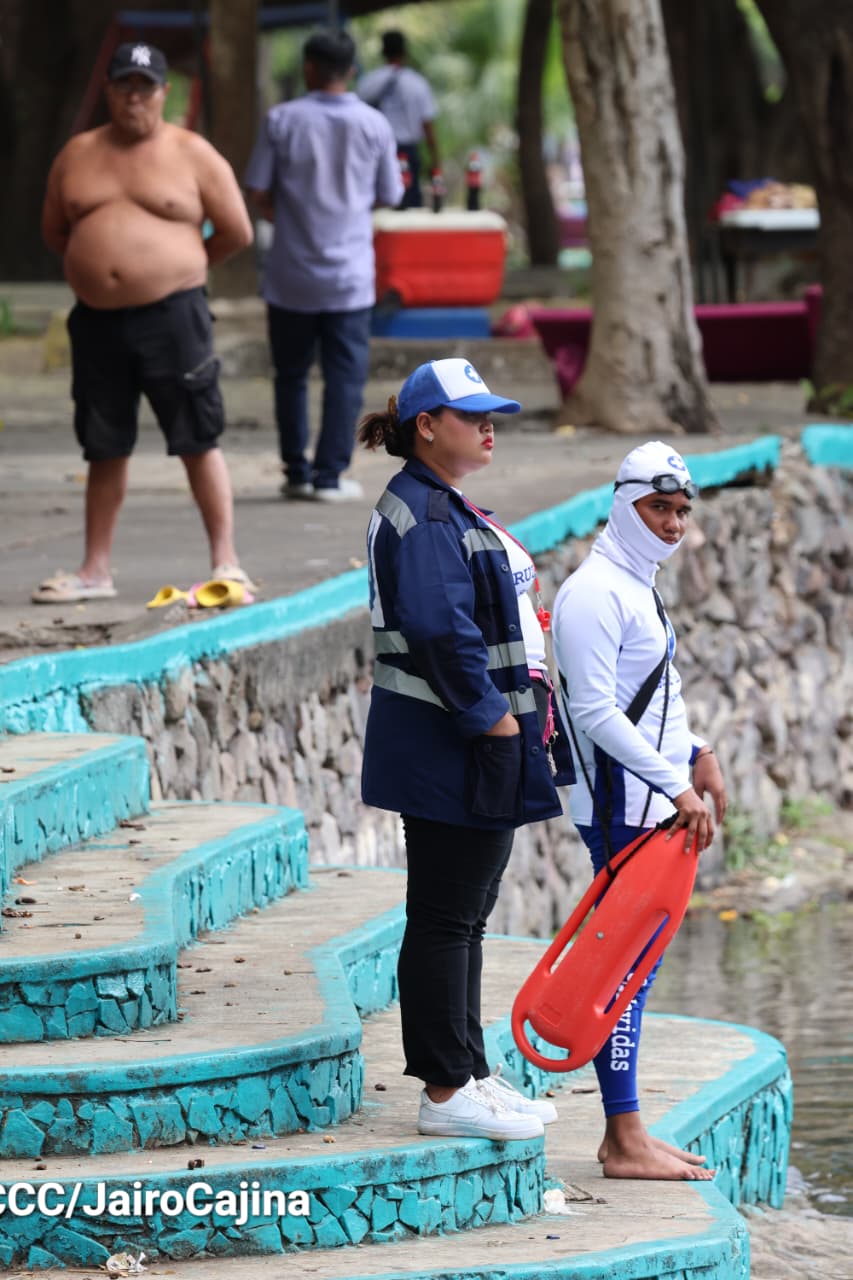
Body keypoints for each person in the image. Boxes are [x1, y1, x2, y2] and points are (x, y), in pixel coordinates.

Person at [358, 357, 573, 1140]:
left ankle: (469, 1071)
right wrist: (493, 720)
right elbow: (438, 628)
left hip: (468, 739)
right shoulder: (421, 513)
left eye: (493, 415)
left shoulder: (439, 503)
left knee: (466, 915)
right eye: (472, 414)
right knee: (448, 915)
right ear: (426, 425)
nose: (489, 427)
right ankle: (445, 1092)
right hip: (452, 741)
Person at [551, 440, 727, 1181]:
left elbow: (654, 695)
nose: (672, 523)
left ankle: (627, 1130)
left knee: (637, 968)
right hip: (622, 808)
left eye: (681, 510)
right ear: (624, 505)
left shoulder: (632, 583)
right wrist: (676, 785)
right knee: (624, 970)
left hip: (653, 799)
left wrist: (697, 753)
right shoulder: (594, 593)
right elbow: (594, 711)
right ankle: (621, 1139)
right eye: (659, 508)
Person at [34, 41, 255, 605]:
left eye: (145, 86)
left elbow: (236, 231)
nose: (134, 96)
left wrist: (172, 266)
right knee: (102, 444)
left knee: (197, 438)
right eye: (124, 84)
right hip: (99, 322)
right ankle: (95, 570)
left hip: (172, 315)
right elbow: (56, 232)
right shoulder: (76, 154)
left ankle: (227, 561)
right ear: (109, 89)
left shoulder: (193, 153)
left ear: (164, 92)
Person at [245, 30, 403, 503]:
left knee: (290, 375)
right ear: (352, 70)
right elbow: (391, 194)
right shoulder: (374, 124)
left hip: (290, 275)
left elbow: (259, 193)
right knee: (345, 379)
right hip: (350, 279)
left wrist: (293, 218)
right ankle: (330, 476)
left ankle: (295, 470)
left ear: (309, 68)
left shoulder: (281, 120)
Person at [357, 30, 440, 210]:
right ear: (405, 51)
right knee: (409, 208)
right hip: (408, 154)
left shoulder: (368, 83)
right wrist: (435, 160)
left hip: (375, 152)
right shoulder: (418, 83)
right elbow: (427, 125)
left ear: (383, 52)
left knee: (377, 205)